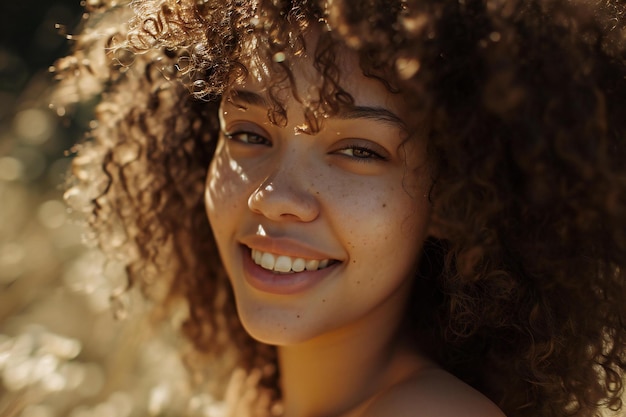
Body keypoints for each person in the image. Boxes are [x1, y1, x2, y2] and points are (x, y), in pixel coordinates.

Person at [53, 0, 626, 416]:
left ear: (452, 202)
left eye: (358, 149)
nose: (273, 196)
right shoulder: (256, 397)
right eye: (249, 134)